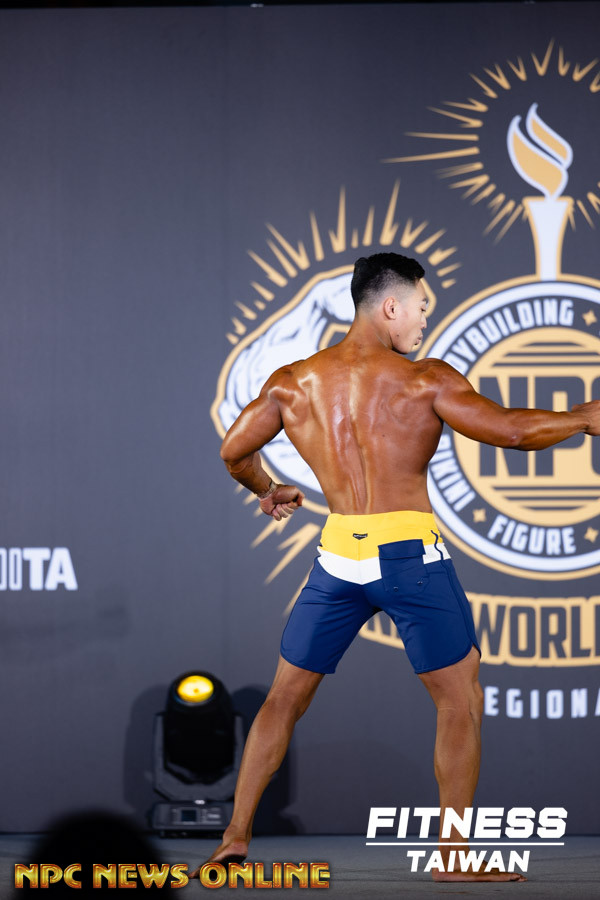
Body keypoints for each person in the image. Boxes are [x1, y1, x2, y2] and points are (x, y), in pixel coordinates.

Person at [192, 252, 600, 883]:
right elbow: (511, 432)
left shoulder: (292, 383)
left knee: (284, 698)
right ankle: (454, 856)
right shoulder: (423, 380)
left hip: (338, 556)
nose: (424, 321)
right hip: (408, 556)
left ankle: (234, 838)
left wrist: (267, 489)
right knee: (459, 697)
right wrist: (581, 418)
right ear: (390, 306)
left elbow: (232, 451)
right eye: (421, 307)